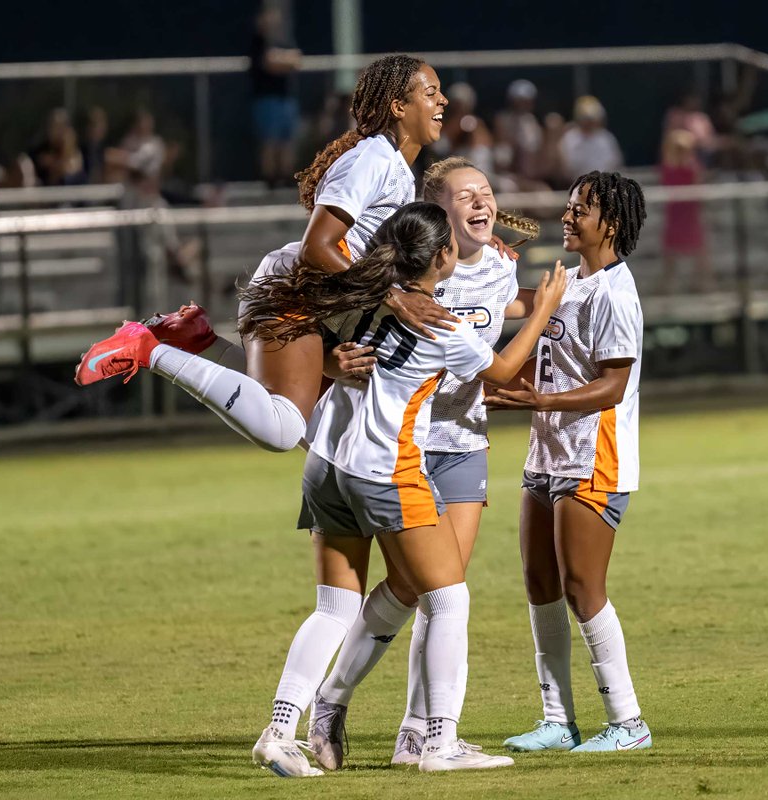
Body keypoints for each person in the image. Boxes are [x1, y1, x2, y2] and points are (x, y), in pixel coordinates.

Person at [232, 202, 567, 775]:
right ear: (442, 256)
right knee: (448, 595)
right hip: (385, 467)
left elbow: (313, 342)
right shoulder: (441, 322)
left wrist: (336, 364)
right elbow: (505, 370)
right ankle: (439, 743)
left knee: (335, 606)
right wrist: (544, 309)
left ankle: (279, 730)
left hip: (326, 461)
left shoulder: (360, 293)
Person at [76, 55, 457, 453]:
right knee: (283, 430)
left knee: (323, 440)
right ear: (398, 107)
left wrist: (478, 246)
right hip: (295, 289)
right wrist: (396, 299)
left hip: (322, 302)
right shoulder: (372, 158)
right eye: (431, 93)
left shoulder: (394, 166)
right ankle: (147, 348)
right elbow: (317, 247)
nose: (443, 101)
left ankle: (198, 339)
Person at [299, 157, 542, 770]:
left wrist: (555, 300)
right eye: (466, 195)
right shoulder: (406, 281)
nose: (482, 203)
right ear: (437, 214)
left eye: (487, 192)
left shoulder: (497, 269)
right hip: (397, 448)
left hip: (457, 442)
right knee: (435, 591)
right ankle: (395, 721)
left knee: (428, 587)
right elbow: (492, 361)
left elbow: (509, 311)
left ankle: (412, 731)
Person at [484, 171, 653, 754]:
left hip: (594, 455)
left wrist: (542, 400)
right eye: (568, 205)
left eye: (580, 208)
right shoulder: (570, 281)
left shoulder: (615, 291)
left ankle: (628, 723)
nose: (566, 215)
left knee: (584, 587)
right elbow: (520, 321)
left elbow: (611, 387)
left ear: (610, 221)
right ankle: (558, 719)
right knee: (540, 584)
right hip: (547, 450)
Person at [250, 5, 302, 189]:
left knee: (287, 140)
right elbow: (269, 63)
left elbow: (296, 59)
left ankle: (286, 177)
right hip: (266, 98)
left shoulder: (284, 40)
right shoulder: (258, 41)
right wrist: (282, 60)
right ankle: (269, 179)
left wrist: (280, 59)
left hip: (285, 98)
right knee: (270, 140)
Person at [659, 129, 714, 293]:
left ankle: (703, 283)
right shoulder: (668, 168)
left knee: (700, 250)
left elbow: (698, 187)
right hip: (675, 215)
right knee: (670, 252)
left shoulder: (693, 168)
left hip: (690, 214)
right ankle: (667, 285)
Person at [559, 96, 623, 181]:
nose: (589, 122)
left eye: (592, 118)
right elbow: (565, 171)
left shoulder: (607, 138)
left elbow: (616, 164)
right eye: (586, 118)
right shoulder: (569, 139)